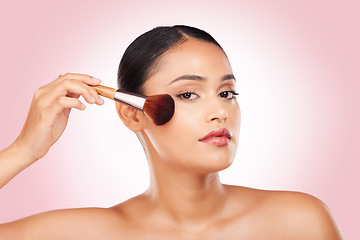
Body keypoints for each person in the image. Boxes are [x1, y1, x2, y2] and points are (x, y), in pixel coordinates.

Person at [0, 25, 343, 239]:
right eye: (188, 94)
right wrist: (24, 149)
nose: (219, 111)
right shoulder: (89, 233)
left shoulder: (300, 222)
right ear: (133, 116)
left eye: (227, 93)